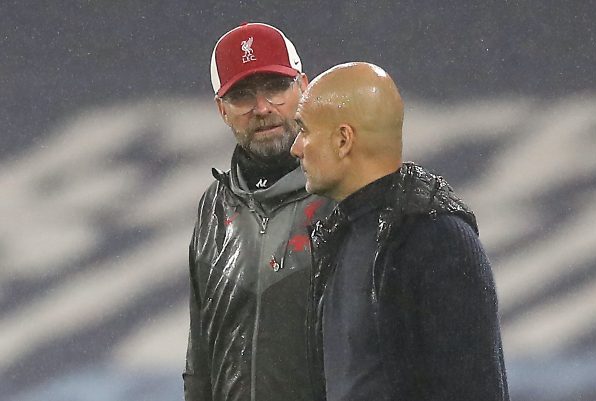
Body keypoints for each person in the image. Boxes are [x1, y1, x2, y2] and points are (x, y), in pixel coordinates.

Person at [291, 62, 510, 401]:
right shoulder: (336, 238)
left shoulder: (439, 241)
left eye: (304, 130)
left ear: (343, 140)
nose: (296, 148)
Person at [183, 23, 334, 401]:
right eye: (242, 95)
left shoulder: (344, 193)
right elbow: (200, 359)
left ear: (304, 87)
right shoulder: (214, 208)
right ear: (222, 109)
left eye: (275, 86)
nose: (262, 108)